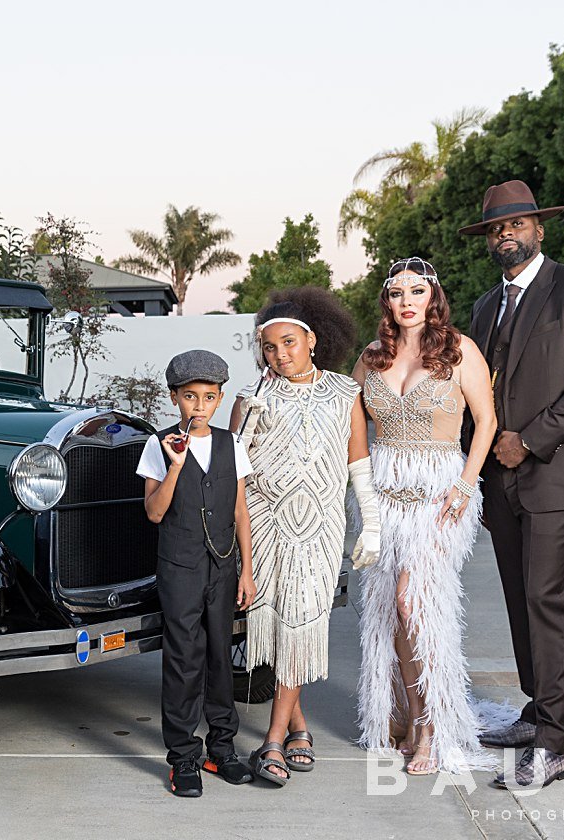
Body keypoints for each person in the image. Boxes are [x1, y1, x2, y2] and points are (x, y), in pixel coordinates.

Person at [459, 180, 564, 789]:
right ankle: (535, 711)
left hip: (557, 475)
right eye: (498, 227)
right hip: (498, 482)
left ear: (538, 229)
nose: (507, 233)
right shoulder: (483, 307)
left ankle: (554, 743)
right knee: (519, 600)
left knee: (546, 600)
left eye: (518, 223)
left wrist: (529, 438)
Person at [352, 257, 516, 775]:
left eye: (416, 291)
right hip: (384, 499)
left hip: (441, 498)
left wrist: (467, 486)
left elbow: (486, 422)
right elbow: (350, 424)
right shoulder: (371, 358)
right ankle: (409, 711)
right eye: (397, 293)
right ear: (387, 302)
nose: (406, 302)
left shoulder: (458, 349)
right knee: (389, 611)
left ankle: (432, 727)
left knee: (414, 602)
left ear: (432, 297)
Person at [229, 287, 379, 786]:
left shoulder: (344, 393)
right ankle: (297, 728)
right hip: (264, 524)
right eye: (270, 347)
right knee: (273, 626)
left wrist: (371, 524)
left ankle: (272, 738)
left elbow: (358, 462)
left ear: (312, 340)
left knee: (300, 623)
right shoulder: (252, 397)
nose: (280, 354)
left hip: (319, 527)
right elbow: (233, 469)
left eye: (289, 342)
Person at [137, 349, 257, 798]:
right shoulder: (160, 445)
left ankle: (221, 749)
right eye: (190, 397)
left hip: (223, 566)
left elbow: (240, 510)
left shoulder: (231, 444)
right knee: (185, 658)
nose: (199, 406)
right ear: (174, 399)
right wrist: (176, 466)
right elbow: (154, 512)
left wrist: (246, 570)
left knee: (220, 658)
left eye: (209, 397)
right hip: (180, 567)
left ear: (221, 399)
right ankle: (183, 756)